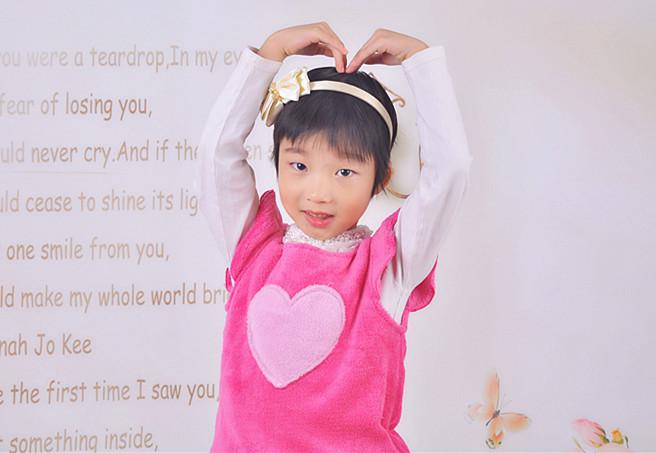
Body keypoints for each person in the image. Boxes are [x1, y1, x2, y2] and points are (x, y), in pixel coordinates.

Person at [196, 22, 473, 452]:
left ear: (379, 179)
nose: (318, 192)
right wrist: (271, 54)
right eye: (299, 166)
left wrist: (420, 62)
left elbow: (450, 168)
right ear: (277, 162)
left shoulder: (388, 267)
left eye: (344, 171)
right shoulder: (252, 250)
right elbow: (216, 154)